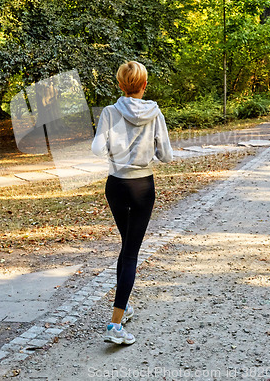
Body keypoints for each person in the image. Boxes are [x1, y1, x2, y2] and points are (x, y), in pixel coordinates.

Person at [91, 60, 173, 345]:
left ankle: (123, 306)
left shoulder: (110, 113)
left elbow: (97, 149)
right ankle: (114, 326)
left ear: (120, 84)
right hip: (142, 186)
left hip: (116, 185)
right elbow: (167, 155)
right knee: (130, 253)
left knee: (127, 248)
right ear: (145, 85)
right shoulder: (155, 113)